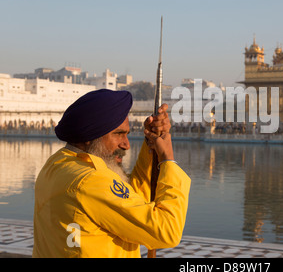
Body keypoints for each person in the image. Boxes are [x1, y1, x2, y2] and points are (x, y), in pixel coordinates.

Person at [32, 89, 191, 258]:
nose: (126, 145)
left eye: (126, 134)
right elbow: (167, 231)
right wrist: (168, 160)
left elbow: (132, 201)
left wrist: (151, 144)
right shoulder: (90, 180)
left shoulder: (57, 163)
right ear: (90, 135)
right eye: (118, 134)